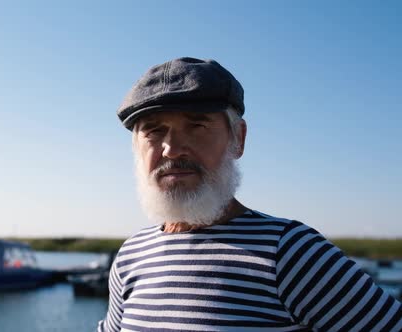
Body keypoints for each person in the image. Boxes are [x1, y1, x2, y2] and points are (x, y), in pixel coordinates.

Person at [98, 57, 402, 331]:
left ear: (238, 139)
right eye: (154, 131)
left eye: (197, 126)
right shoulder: (131, 255)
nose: (172, 148)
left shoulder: (291, 252)